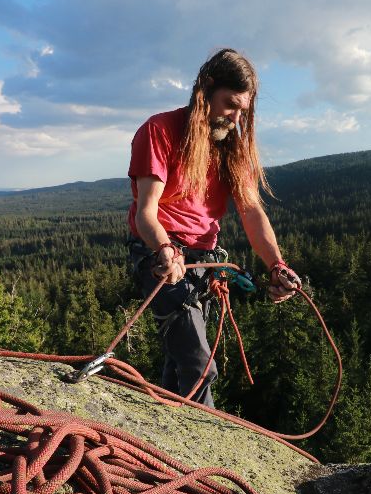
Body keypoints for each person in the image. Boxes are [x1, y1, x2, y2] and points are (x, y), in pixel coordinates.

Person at [126, 48, 302, 408]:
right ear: (205, 88)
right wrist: (165, 251)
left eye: (243, 111)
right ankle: (199, 455)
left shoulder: (231, 146)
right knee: (200, 367)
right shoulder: (159, 130)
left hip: (203, 261)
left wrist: (277, 265)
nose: (235, 117)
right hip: (158, 254)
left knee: (181, 360)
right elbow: (147, 212)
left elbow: (252, 211)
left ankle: (162, 441)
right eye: (230, 104)